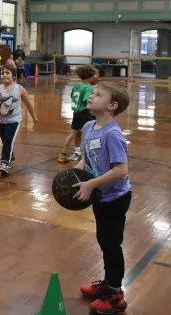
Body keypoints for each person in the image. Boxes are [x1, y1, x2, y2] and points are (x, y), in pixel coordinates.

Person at [72, 83, 131, 315]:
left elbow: (121, 170)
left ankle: (115, 294)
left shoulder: (113, 134)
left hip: (115, 198)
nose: (91, 96)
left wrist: (91, 184)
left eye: (98, 95)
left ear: (112, 105)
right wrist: (74, 177)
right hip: (101, 196)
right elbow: (85, 160)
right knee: (103, 240)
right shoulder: (88, 127)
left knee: (111, 244)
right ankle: (107, 285)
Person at [0, 65, 38, 177]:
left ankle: (5, 163)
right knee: (6, 141)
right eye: (3, 73)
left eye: (7, 73)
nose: (4, 75)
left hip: (14, 120)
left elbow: (28, 104)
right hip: (1, 121)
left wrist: (34, 117)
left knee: (8, 140)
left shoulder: (19, 89)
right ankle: (12, 157)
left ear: (14, 76)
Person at [58, 65, 96, 163]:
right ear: (91, 77)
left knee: (72, 134)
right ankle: (91, 155)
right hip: (85, 114)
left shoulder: (76, 86)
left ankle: (63, 154)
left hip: (76, 113)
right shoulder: (89, 88)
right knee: (91, 134)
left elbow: (72, 96)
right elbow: (87, 100)